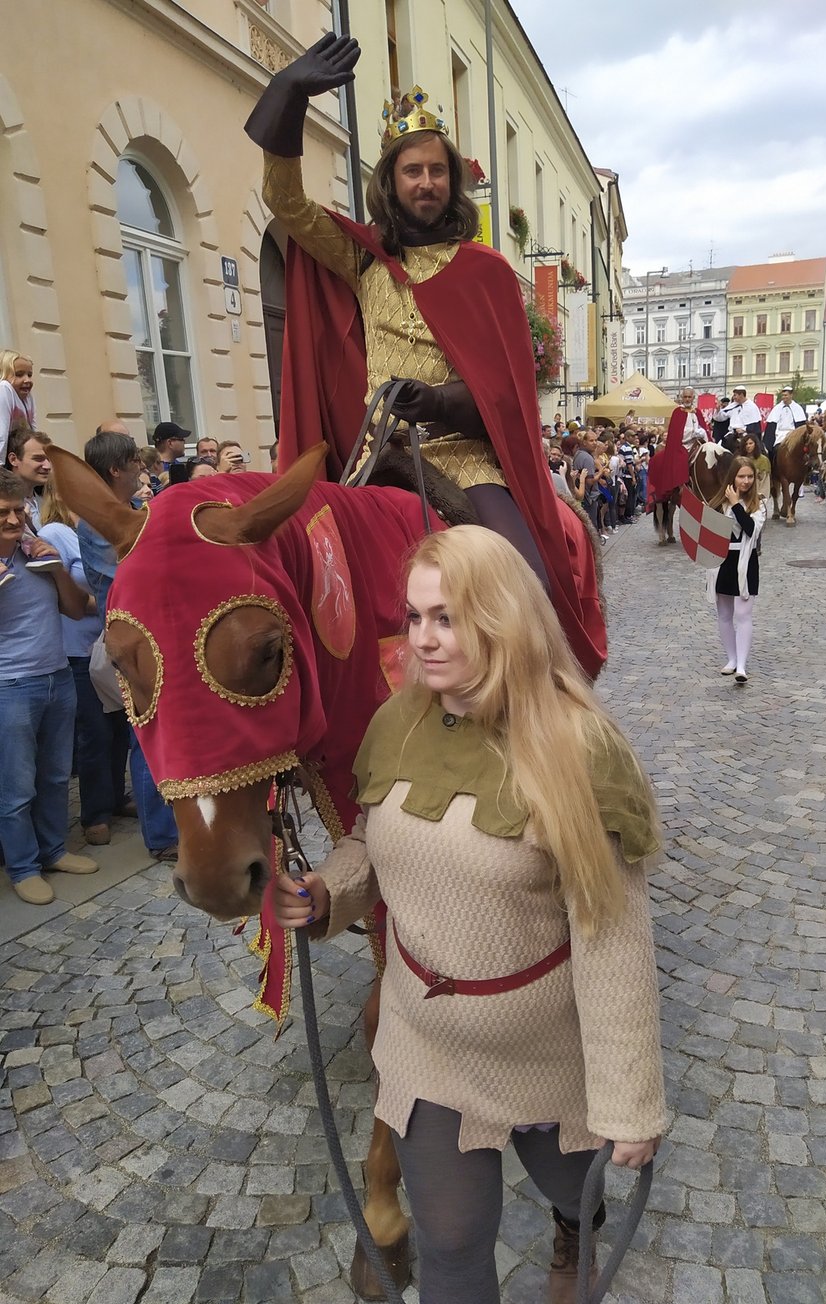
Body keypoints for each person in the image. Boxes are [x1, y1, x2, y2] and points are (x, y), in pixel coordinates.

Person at [273, 525, 666, 1304]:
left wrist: (630, 1102)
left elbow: (613, 938)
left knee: (576, 1193)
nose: (421, 639)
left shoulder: (581, 747)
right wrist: (328, 894)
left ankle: (570, 1228)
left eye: (446, 618)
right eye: (414, 617)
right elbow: (370, 840)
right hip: (427, 1044)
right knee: (450, 1245)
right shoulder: (399, 722)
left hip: (551, 1053)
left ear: (501, 616)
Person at [246, 32, 605, 679]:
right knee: (299, 571)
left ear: (453, 182)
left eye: (437, 170)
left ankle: (531, 714)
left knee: (526, 585)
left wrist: (436, 398)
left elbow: (504, 396)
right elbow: (287, 201)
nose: (426, 181)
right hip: (373, 448)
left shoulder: (487, 272)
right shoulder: (363, 260)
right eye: (413, 170)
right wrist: (289, 94)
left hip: (461, 457)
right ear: (391, 180)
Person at [78, 428, 179, 862]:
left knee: (155, 734)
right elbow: (132, 571)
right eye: (135, 462)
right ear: (116, 469)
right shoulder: (96, 522)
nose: (142, 467)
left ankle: (166, 820)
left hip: (155, 636)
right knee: (145, 734)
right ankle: (160, 837)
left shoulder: (138, 508)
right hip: (132, 643)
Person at [0, 468, 98, 905]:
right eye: (3, 512)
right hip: (10, 685)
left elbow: (77, 610)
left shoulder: (33, 551)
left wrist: (57, 569)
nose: (13, 519)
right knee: (17, 786)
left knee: (56, 774)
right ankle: (23, 867)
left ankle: (54, 849)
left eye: (19, 509)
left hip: (58, 675)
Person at [38, 472, 134, 846]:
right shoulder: (54, 534)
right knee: (93, 734)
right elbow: (63, 597)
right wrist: (112, 603)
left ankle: (115, 798)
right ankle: (94, 813)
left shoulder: (95, 529)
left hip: (107, 642)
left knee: (117, 731)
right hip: (78, 649)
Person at [709, 457, 766, 685]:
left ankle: (742, 665)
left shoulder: (758, 503)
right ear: (732, 477)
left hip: (745, 562)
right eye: (741, 476)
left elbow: (751, 530)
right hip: (722, 562)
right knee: (724, 615)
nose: (746, 481)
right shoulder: (717, 502)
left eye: (750, 477)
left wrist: (735, 505)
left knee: (743, 615)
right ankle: (731, 659)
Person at [0, 350, 36, 465]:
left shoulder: (28, 396)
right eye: (19, 375)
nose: (27, 380)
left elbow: (33, 429)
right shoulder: (4, 389)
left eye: (29, 375)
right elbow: (1, 432)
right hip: (5, 456)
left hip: (17, 454)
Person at [764, 385, 807, 461]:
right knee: (774, 450)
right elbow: (771, 426)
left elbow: (801, 426)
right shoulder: (777, 408)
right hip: (779, 434)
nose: (784, 397)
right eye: (783, 395)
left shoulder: (798, 408)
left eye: (786, 395)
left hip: (793, 434)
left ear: (791, 395)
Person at [740, 433, 771, 505]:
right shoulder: (740, 460)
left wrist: (761, 496)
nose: (748, 446)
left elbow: (765, 481)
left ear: (755, 444)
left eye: (750, 443)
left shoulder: (763, 460)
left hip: (758, 496)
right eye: (746, 444)